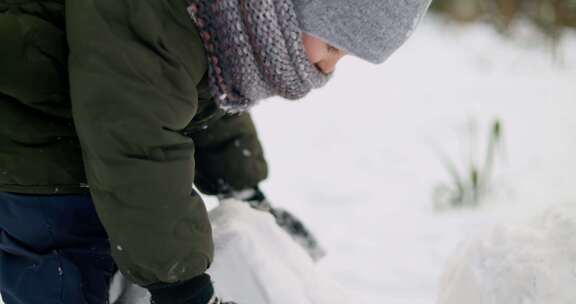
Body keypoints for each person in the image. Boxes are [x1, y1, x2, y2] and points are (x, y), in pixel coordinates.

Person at [0, 0, 431, 303]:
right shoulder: (158, 14)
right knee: (65, 271)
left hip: (91, 120)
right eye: (334, 46)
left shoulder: (218, 15)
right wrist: (182, 286)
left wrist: (242, 187)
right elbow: (139, 141)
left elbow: (202, 96)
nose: (329, 68)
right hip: (32, 138)